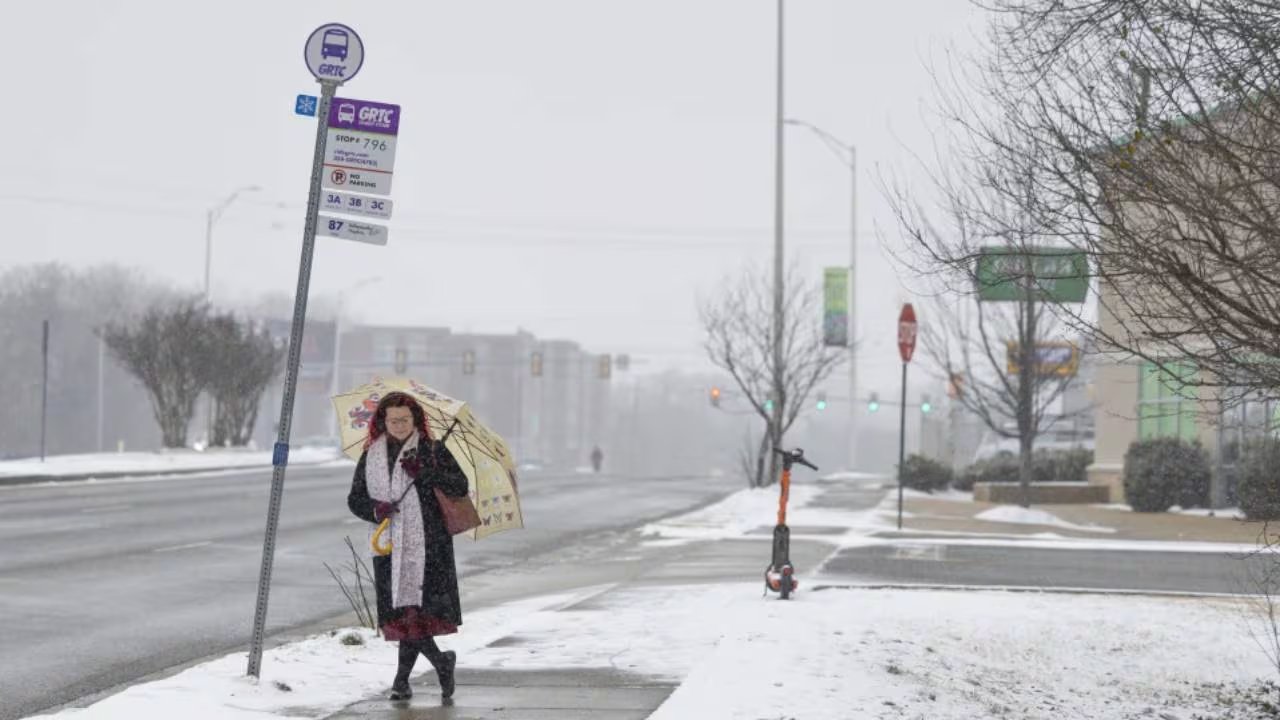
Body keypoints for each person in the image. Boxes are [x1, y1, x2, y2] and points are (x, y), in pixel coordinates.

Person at [347, 391, 469, 701]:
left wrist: (425, 473)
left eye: (405, 419)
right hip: (389, 545)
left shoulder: (431, 450)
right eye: (393, 420)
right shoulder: (371, 455)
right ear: (383, 422)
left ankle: (404, 681)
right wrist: (376, 510)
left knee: (414, 614)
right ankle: (438, 664)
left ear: (416, 420)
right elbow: (355, 499)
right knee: (405, 616)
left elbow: (459, 486)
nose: (399, 425)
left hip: (429, 548)